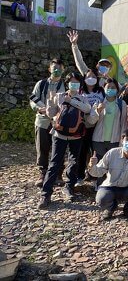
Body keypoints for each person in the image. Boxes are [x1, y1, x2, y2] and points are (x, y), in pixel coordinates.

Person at [38, 72, 91, 209]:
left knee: (74, 161)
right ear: (67, 83)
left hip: (76, 135)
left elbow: (87, 109)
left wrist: (71, 101)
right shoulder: (59, 95)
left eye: (76, 81)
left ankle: (69, 187)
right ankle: (45, 194)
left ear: (80, 83)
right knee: (55, 162)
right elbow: (50, 114)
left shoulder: (83, 97)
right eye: (71, 81)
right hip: (59, 134)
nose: (74, 84)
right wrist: (50, 101)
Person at [87, 128, 128, 221]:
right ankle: (110, 208)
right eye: (127, 139)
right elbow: (98, 172)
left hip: (127, 188)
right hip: (110, 187)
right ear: (122, 140)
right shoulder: (112, 153)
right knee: (101, 198)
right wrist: (92, 165)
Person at [29, 59, 66, 187]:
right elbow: (33, 99)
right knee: (42, 147)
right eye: (54, 67)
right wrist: (38, 108)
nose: (56, 69)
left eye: (59, 67)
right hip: (42, 120)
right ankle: (43, 173)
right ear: (49, 69)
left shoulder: (65, 84)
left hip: (60, 121)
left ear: (63, 69)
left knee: (59, 148)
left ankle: (58, 173)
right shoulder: (41, 84)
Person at [87, 78, 128, 186]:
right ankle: (99, 186)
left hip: (114, 140)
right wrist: (97, 111)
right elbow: (91, 121)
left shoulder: (121, 104)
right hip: (98, 139)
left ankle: (110, 186)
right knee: (100, 163)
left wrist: (122, 140)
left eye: (113, 88)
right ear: (104, 88)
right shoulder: (98, 102)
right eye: (108, 87)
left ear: (117, 90)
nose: (110, 89)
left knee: (113, 163)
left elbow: (124, 123)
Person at [76, 68, 105, 187]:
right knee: (82, 151)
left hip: (97, 126)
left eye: (93, 76)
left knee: (95, 152)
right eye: (88, 76)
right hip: (83, 126)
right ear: (84, 78)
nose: (91, 78)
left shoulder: (101, 91)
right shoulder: (80, 91)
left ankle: (95, 176)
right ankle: (80, 176)